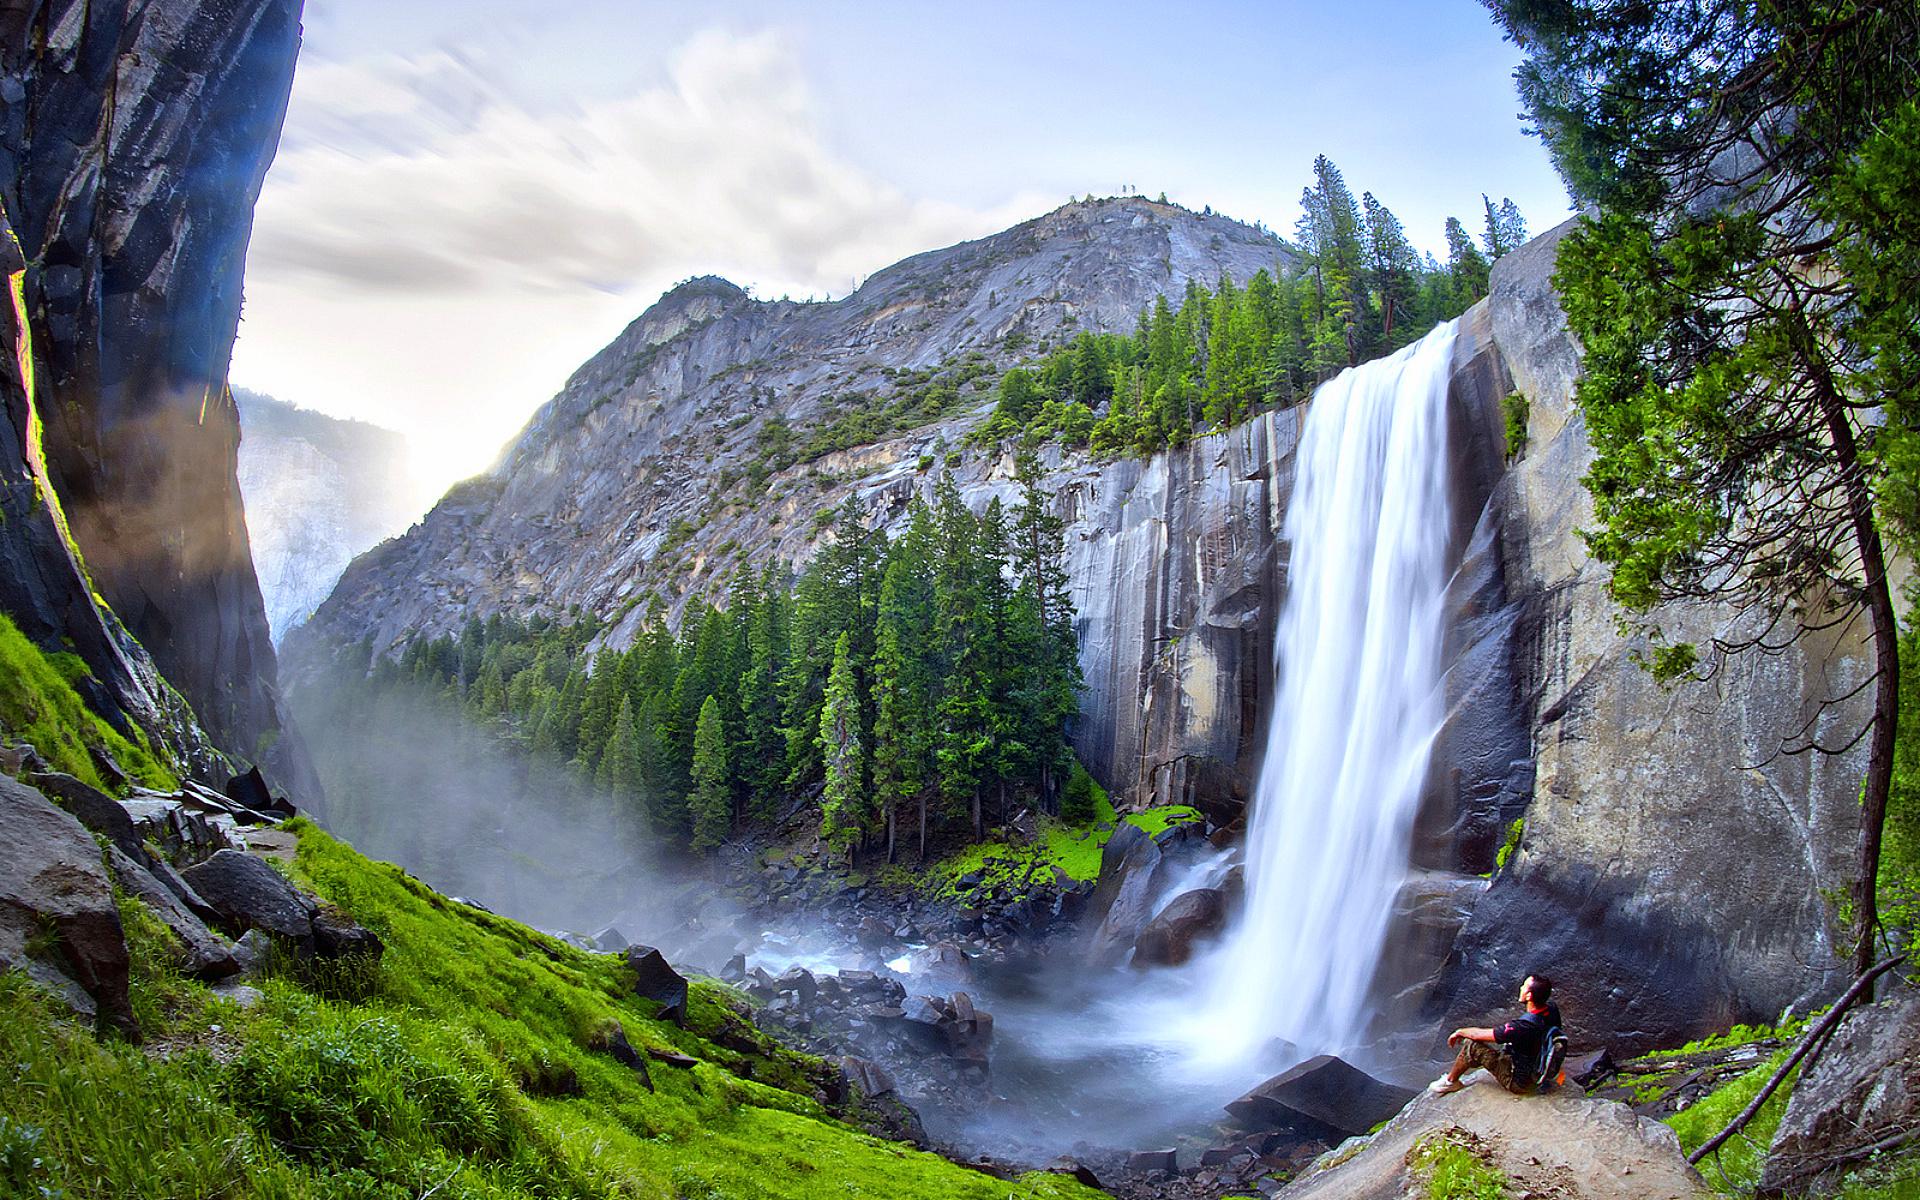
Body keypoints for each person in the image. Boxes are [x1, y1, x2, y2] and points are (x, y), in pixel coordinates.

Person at [1428, 973, 1561, 1095]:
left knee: (1471, 1045)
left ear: (1529, 996)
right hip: (1536, 1069)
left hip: (1520, 1084)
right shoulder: (1551, 1008)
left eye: (1524, 986)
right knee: (1501, 1045)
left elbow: (1477, 1035)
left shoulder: (1522, 1027)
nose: (1520, 988)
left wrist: (1460, 1032)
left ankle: (1451, 1082)